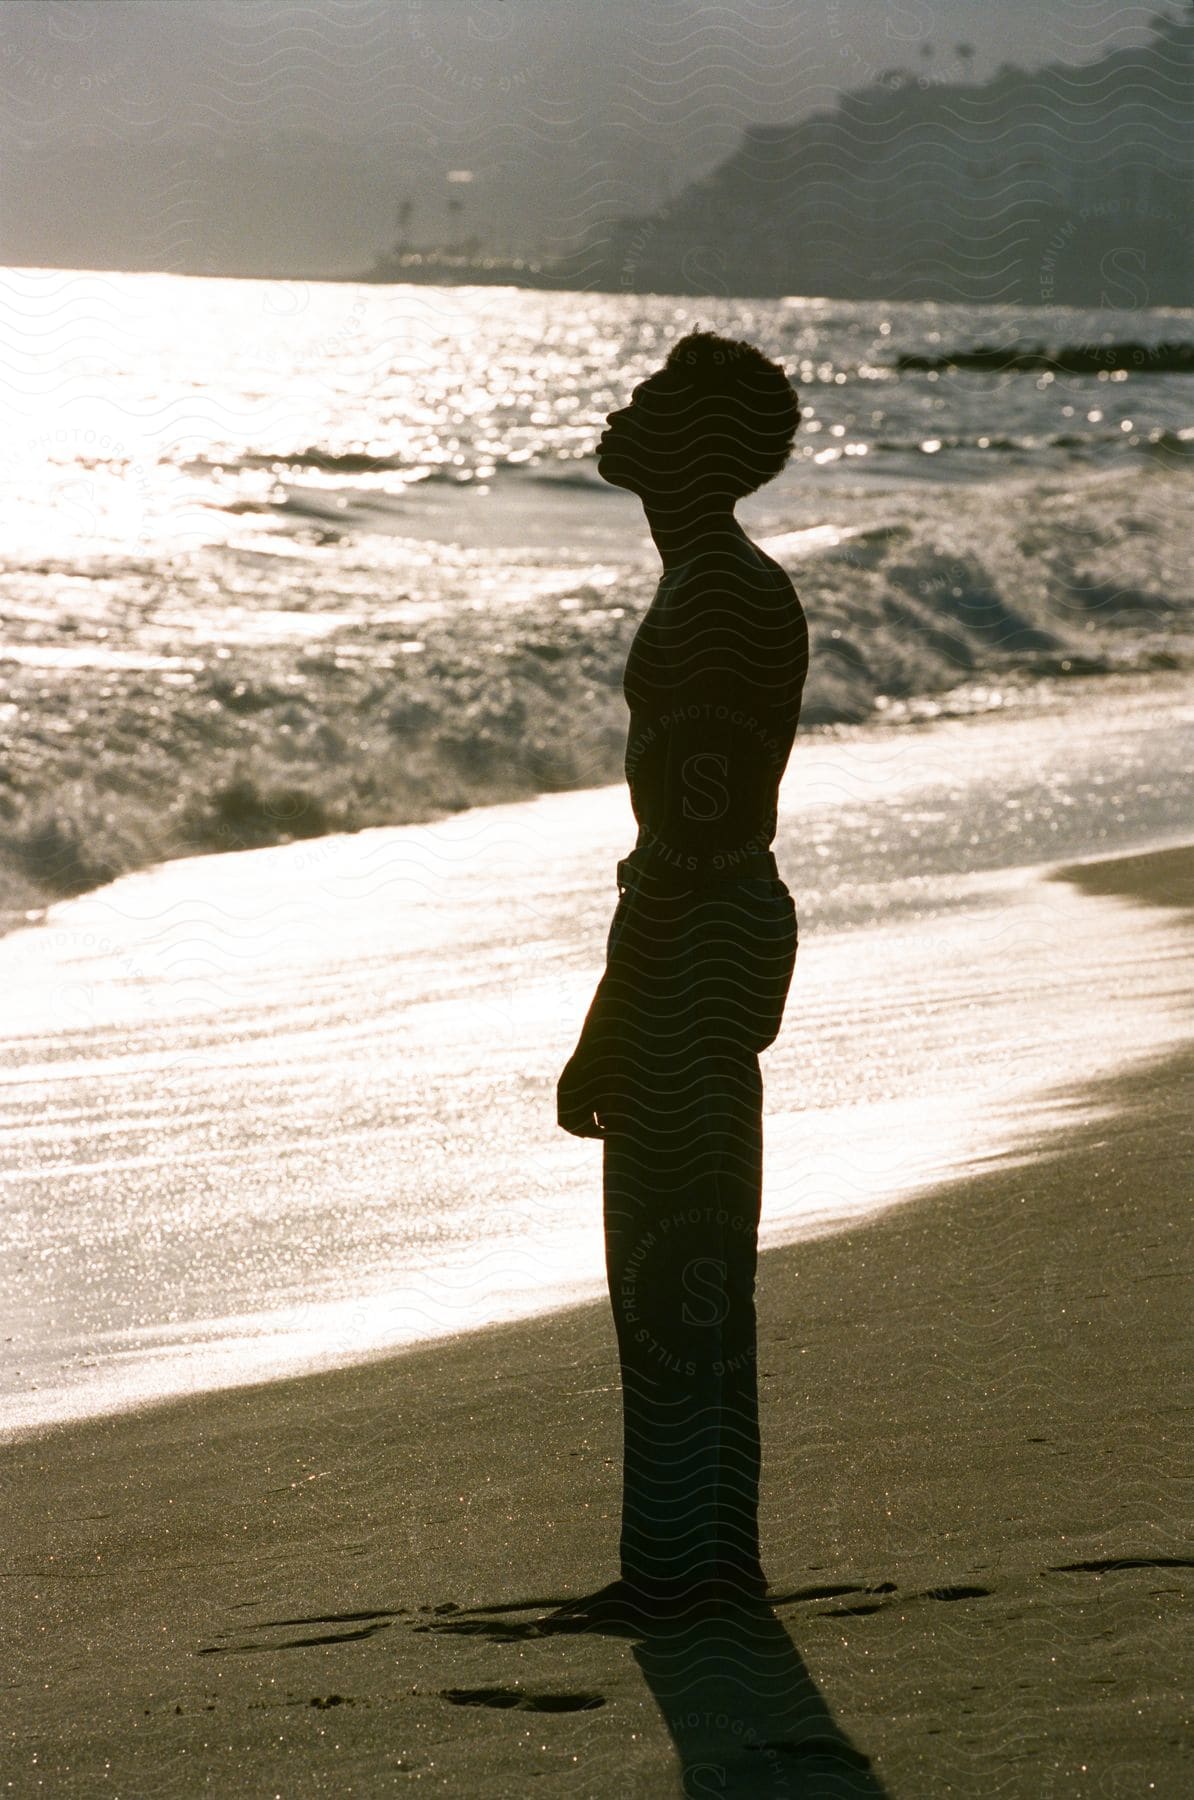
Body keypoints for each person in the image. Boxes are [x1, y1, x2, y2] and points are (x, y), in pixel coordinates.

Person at [554, 329, 808, 1622]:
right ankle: (701, 1555)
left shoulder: (716, 594)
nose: (622, 410)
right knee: (692, 1256)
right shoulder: (719, 582)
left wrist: (605, 1021)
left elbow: (693, 832)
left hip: (695, 927)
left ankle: (685, 1567)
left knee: (670, 1258)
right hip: (718, 918)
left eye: (650, 398)